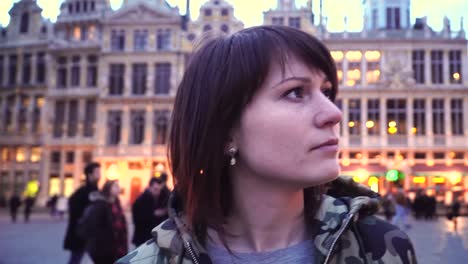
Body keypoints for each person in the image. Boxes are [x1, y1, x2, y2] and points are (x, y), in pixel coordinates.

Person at [117, 25, 416, 264]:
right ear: (225, 131)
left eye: (326, 92)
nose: (333, 113)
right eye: (296, 92)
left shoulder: (383, 249)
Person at [77, 180, 128, 264]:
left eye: (118, 186)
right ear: (108, 189)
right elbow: (94, 226)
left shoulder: (116, 203)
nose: (118, 187)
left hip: (117, 246)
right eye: (115, 186)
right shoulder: (101, 204)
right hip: (102, 249)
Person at [63, 162, 101, 264]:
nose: (100, 175)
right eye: (97, 172)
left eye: (99, 172)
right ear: (89, 175)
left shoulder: (96, 190)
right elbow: (74, 209)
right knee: (75, 259)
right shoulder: (82, 191)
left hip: (90, 234)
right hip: (80, 234)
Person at [131, 173, 170, 247]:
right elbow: (138, 219)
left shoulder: (155, 198)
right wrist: (154, 214)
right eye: (155, 189)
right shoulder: (141, 200)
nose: (158, 193)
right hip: (143, 238)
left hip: (149, 238)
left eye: (159, 190)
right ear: (149, 187)